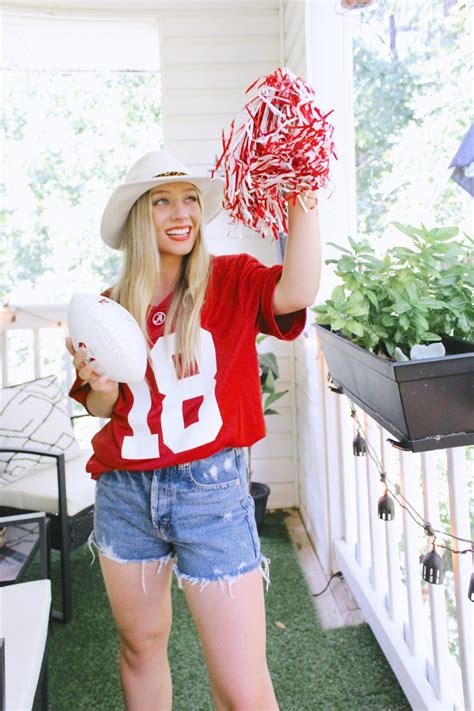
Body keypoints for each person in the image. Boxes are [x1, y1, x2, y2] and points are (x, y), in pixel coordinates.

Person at [66, 149, 321, 711]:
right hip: (126, 493)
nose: (181, 212)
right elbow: (105, 407)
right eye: (162, 200)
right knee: (139, 648)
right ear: (139, 215)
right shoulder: (108, 308)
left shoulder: (230, 278)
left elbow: (298, 292)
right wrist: (97, 380)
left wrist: (303, 196)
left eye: (189, 200)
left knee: (241, 684)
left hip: (211, 493)